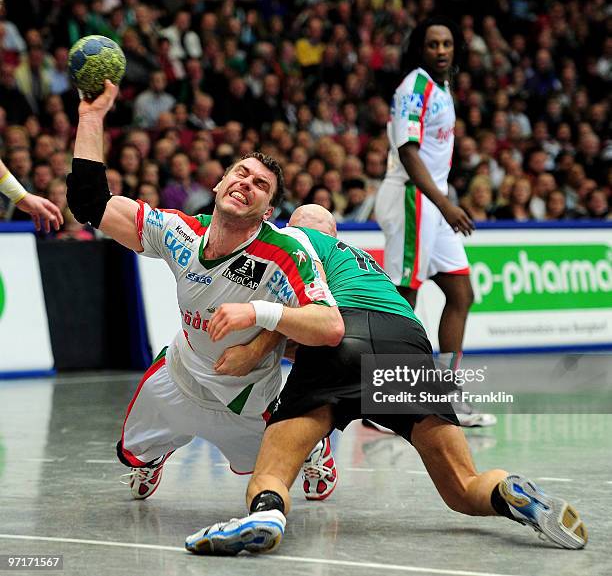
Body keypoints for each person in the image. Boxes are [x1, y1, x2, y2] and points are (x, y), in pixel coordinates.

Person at [185, 205, 587, 555]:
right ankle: (506, 491)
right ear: (335, 234)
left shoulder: (291, 246)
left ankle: (267, 515)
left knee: (272, 473)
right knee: (464, 488)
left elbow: (300, 316)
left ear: (296, 227)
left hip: (340, 341)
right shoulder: (362, 259)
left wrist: (252, 348)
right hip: (406, 340)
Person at [66, 81, 344, 506]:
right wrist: (90, 117)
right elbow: (89, 202)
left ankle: (315, 448)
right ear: (219, 184)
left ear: (268, 212)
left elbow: (329, 326)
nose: (246, 183)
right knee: (131, 454)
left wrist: (261, 322)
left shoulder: (285, 253)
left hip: (247, 399)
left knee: (275, 468)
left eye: (261, 184)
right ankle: (155, 455)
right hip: (178, 377)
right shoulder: (179, 231)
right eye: (240, 173)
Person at [374, 18, 494, 427]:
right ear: (420, 49)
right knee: (402, 300)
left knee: (461, 294)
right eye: (433, 44)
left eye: (447, 44)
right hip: (413, 197)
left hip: (433, 202)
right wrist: (445, 204)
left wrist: (442, 203)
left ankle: (449, 395)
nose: (441, 50)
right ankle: (380, 401)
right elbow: (408, 152)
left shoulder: (442, 88)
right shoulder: (415, 87)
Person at [0, 158, 63, 231]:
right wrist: (20, 196)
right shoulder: (22, 209)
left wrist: (20, 196)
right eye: (38, 174)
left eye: (45, 174)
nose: (42, 178)